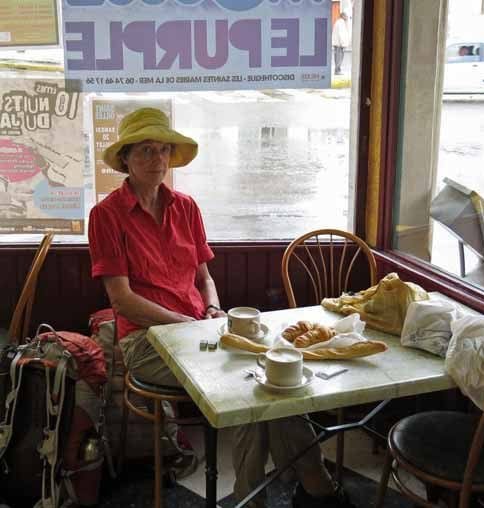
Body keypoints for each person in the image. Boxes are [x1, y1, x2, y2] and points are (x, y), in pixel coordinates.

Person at [88, 108, 355, 508]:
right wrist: (184, 323)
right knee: (246, 385)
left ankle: (299, 490)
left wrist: (213, 309)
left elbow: (204, 278)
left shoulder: (186, 207)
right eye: (145, 150)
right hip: (146, 340)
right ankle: (299, 488)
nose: (157, 160)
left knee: (275, 377)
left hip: (199, 329)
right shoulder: (105, 216)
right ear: (124, 158)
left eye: (163, 150)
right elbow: (121, 300)